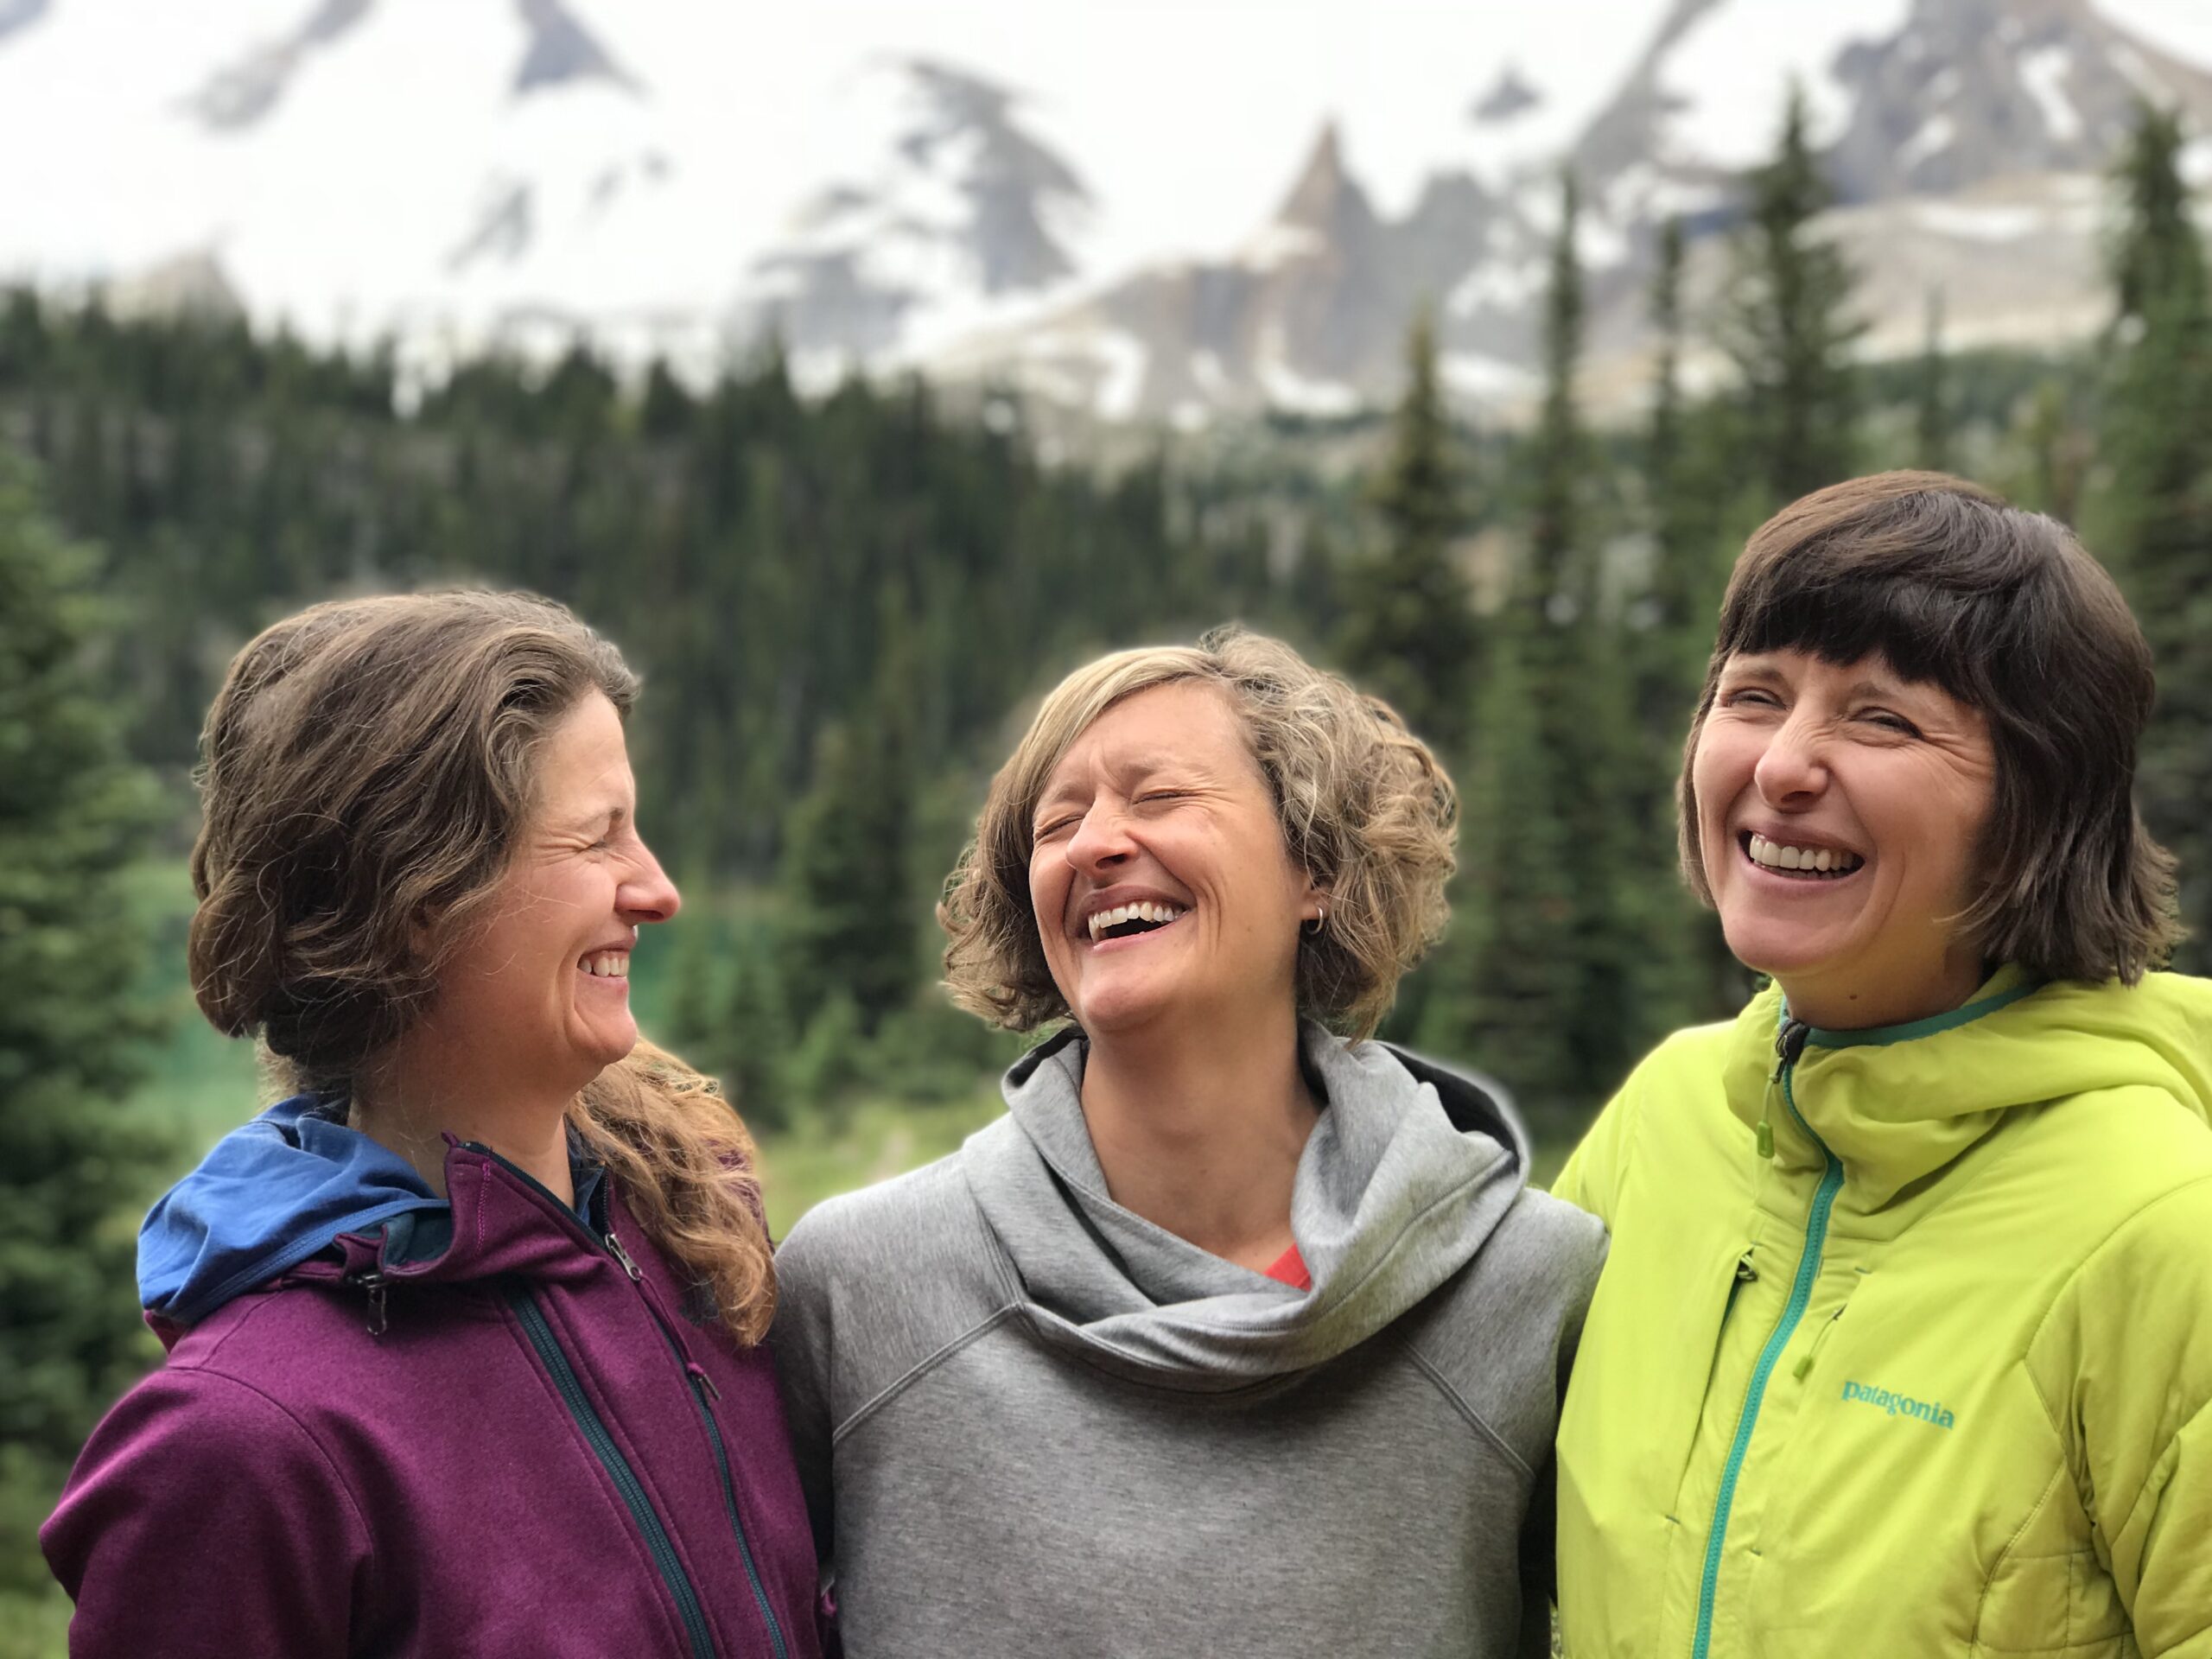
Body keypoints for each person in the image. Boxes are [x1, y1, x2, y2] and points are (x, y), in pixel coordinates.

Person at [772, 626, 1605, 1658]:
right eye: (1056, 823)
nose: (1094, 845)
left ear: (1319, 869)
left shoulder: (1527, 1285)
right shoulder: (859, 1287)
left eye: (1159, 797)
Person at [43, 592, 824, 1659]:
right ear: (422, 899)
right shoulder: (238, 1446)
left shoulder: (691, 1233)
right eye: (598, 839)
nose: (658, 889)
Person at [1552, 473, 2212, 1658]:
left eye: (1883, 718)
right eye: (1753, 695)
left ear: (2040, 803)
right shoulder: (1665, 1120)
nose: (1784, 765)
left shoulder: (2167, 1224)